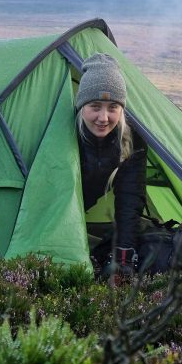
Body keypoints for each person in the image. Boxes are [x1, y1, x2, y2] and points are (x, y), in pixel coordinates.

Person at [75, 53, 147, 280]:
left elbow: (130, 200)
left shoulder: (131, 140)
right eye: (95, 106)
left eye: (113, 107)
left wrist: (124, 256)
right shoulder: (62, 133)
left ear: (122, 109)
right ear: (81, 106)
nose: (103, 118)